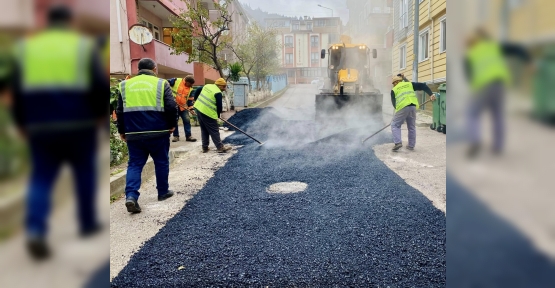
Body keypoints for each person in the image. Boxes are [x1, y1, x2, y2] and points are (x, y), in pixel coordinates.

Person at [9, 4, 108, 260]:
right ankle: (86, 223)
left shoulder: (25, 49)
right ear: (69, 22)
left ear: (46, 22)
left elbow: (17, 93)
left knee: (41, 177)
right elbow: (98, 87)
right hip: (79, 124)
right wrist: (100, 118)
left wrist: (21, 123)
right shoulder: (83, 47)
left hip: (40, 126)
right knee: (84, 173)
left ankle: (34, 229)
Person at [115, 58, 178, 213]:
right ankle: (163, 192)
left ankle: (131, 196)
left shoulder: (124, 85)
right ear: (154, 69)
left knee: (135, 165)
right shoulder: (162, 84)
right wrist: (172, 125)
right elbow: (171, 107)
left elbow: (120, 111)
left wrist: (122, 131)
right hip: (158, 132)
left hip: (134, 134)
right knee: (161, 162)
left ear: (138, 69)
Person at [465, 28, 531, 158]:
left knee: (472, 113)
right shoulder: (495, 47)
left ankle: (475, 140)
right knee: (498, 115)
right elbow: (517, 49)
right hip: (499, 84)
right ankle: (498, 146)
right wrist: (529, 62)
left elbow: (469, 75)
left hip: (482, 86)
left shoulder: (471, 53)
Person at [390, 75, 436, 151]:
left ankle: (398, 143)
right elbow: (423, 85)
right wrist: (431, 94)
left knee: (395, 124)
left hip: (402, 108)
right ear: (401, 80)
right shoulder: (409, 84)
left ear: (394, 83)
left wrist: (400, 115)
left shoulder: (394, 90)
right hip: (412, 107)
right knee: (411, 127)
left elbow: (394, 104)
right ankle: (411, 145)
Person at [193, 78, 232, 153]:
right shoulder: (218, 92)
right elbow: (219, 107)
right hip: (208, 112)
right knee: (214, 130)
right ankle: (220, 147)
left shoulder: (207, 86)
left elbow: (198, 89)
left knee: (204, 129)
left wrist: (196, 100)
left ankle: (205, 147)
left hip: (199, 109)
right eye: (223, 87)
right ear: (219, 86)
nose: (224, 88)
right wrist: (217, 115)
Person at [167, 75, 197, 142]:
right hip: (174, 105)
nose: (190, 85)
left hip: (183, 107)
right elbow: (166, 82)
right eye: (190, 84)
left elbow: (190, 100)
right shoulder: (176, 80)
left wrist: (191, 109)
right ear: (186, 81)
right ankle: (176, 136)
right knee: (175, 121)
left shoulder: (191, 89)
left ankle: (188, 136)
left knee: (187, 120)